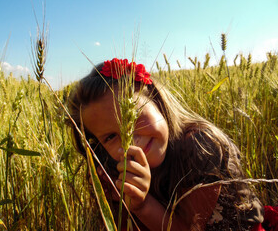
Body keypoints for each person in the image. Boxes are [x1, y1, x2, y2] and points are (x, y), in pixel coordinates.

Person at [66, 58, 264, 230]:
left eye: (132, 117)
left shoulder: (200, 146)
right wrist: (119, 202)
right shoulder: (114, 169)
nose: (131, 140)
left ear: (156, 100)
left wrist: (142, 205)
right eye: (110, 137)